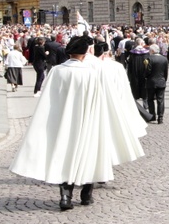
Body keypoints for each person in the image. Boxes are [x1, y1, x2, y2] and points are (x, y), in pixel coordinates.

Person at [10, 35, 145, 211]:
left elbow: (48, 99)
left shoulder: (57, 71)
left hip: (63, 122)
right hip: (89, 120)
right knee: (90, 155)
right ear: (83, 54)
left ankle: (65, 196)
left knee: (64, 155)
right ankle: (86, 195)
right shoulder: (92, 73)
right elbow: (102, 99)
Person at [145, 44, 168, 124]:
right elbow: (166, 72)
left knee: (150, 99)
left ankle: (152, 115)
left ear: (152, 51)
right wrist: (164, 80)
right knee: (160, 100)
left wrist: (146, 76)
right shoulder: (164, 59)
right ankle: (160, 117)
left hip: (151, 81)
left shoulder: (149, 58)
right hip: (161, 81)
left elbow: (147, 71)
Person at [127, 38, 149, 109]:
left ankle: (134, 105)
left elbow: (129, 65)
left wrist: (129, 75)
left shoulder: (132, 53)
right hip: (143, 73)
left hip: (134, 73)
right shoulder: (146, 53)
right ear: (142, 43)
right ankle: (145, 104)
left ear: (136, 44)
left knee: (134, 88)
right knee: (144, 88)